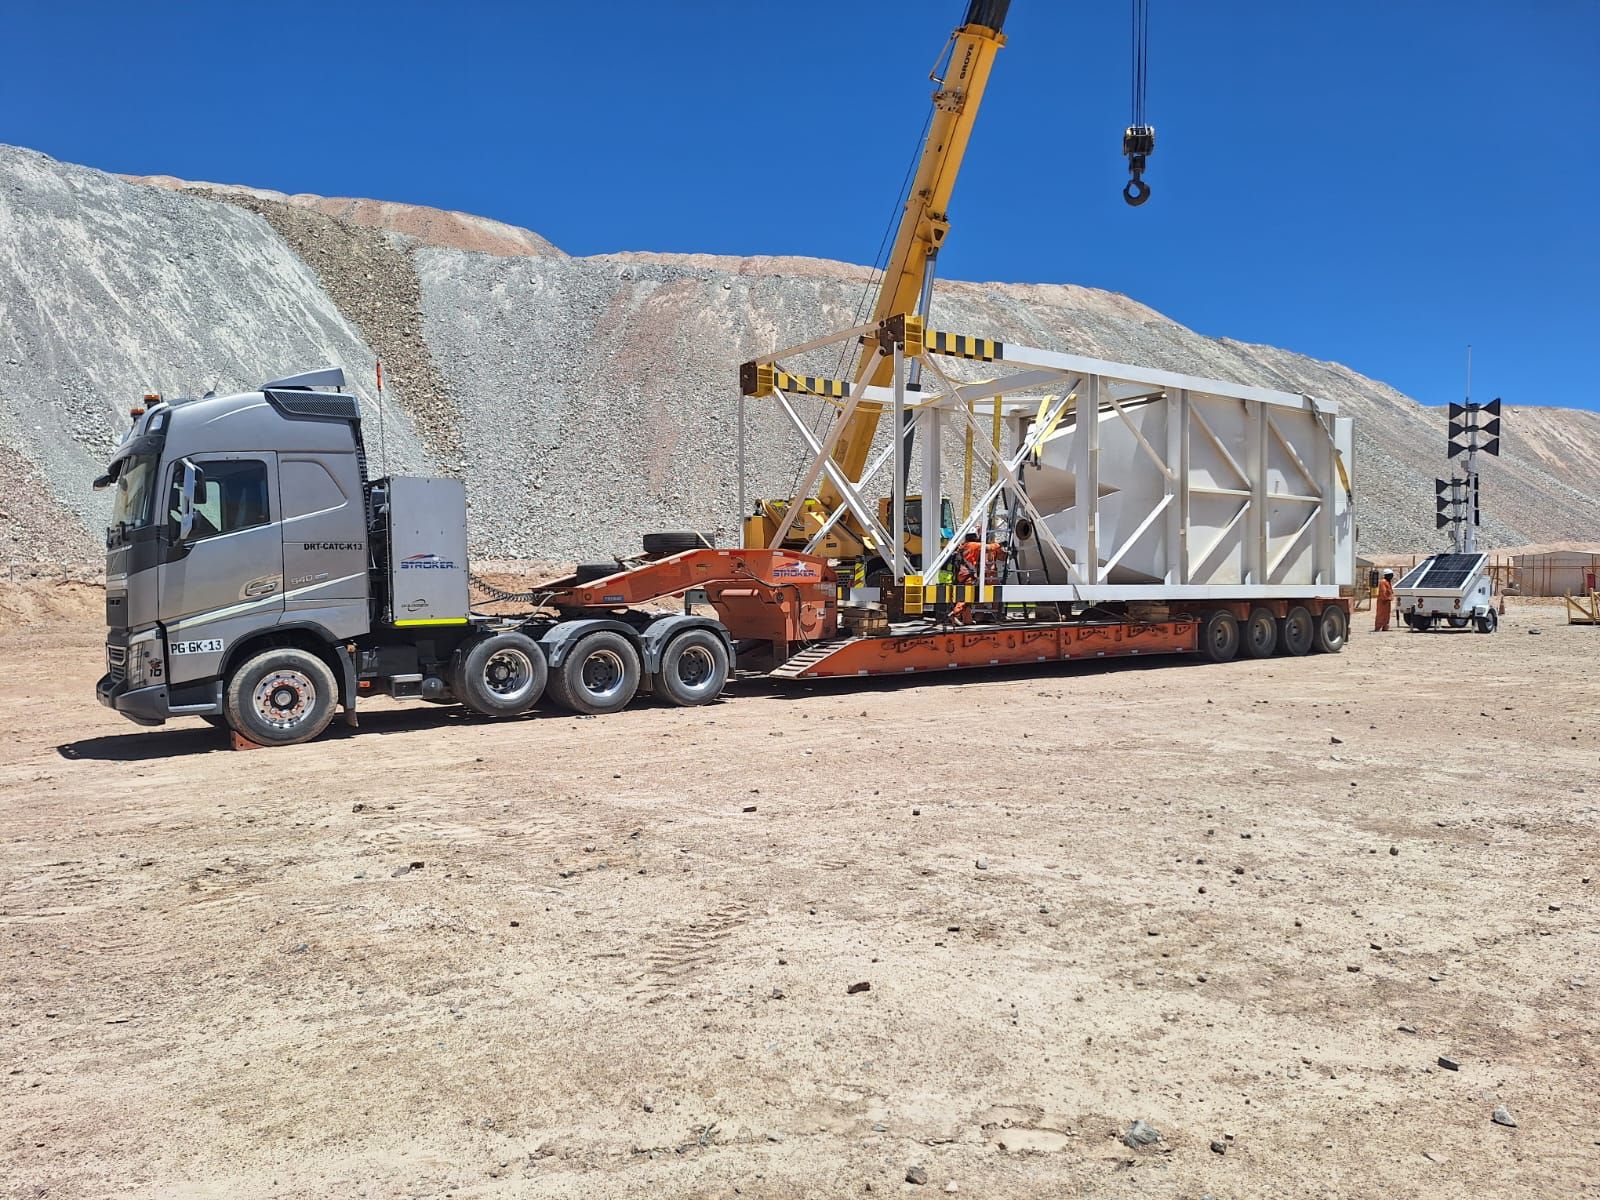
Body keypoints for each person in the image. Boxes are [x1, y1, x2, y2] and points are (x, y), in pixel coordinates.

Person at [951, 532, 1006, 626]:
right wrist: (1001, 544)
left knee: (965, 595)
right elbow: (989, 548)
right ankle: (955, 614)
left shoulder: (962, 546)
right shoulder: (974, 545)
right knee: (967, 597)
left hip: (960, 573)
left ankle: (967, 620)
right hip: (968, 574)